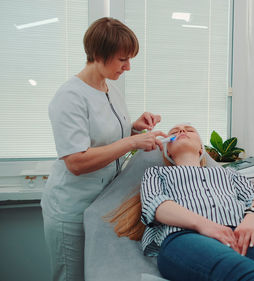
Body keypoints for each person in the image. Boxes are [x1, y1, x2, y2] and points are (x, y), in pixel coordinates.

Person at [110, 124, 254, 281]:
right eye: (174, 131)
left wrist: (253, 219)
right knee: (247, 274)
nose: (182, 131)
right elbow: (156, 205)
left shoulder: (230, 175)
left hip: (249, 230)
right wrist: (206, 226)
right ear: (167, 151)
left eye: (189, 129)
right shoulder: (157, 174)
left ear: (201, 149)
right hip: (184, 236)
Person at [42, 17, 167, 281]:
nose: (128, 67)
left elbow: (104, 138)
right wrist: (132, 142)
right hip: (72, 209)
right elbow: (76, 162)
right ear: (98, 54)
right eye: (123, 59)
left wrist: (134, 128)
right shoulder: (70, 97)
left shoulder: (110, 88)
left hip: (103, 205)